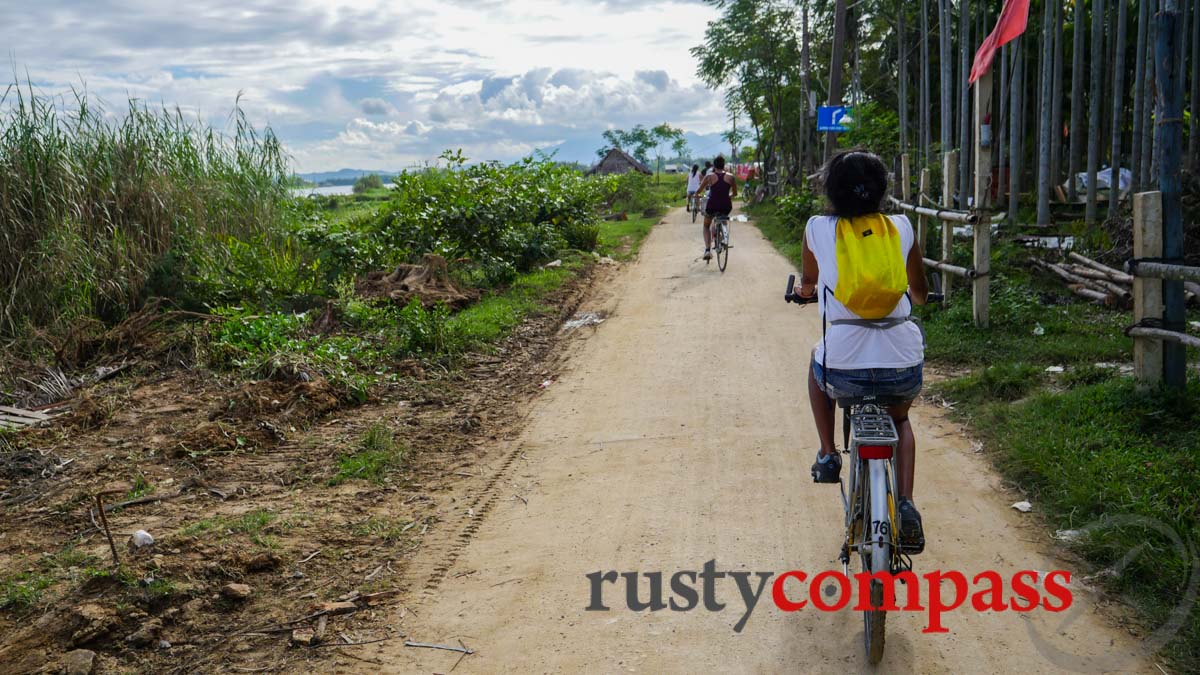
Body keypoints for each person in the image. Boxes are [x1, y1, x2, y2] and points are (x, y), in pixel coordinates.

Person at [795, 149, 929, 553]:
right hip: (901, 363)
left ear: (831, 190)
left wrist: (805, 292)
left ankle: (827, 453)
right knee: (901, 421)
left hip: (844, 366)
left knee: (816, 365)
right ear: (881, 189)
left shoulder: (818, 227)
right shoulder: (901, 227)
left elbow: (809, 281)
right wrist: (919, 294)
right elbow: (919, 293)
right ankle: (905, 503)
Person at [695, 156, 737, 260]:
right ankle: (722, 236)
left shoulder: (709, 177)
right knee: (723, 218)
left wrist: (696, 195)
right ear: (724, 165)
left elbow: (699, 190)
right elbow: (735, 193)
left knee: (706, 226)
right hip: (726, 206)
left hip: (712, 205)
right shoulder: (731, 177)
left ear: (714, 165)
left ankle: (708, 250)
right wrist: (729, 196)